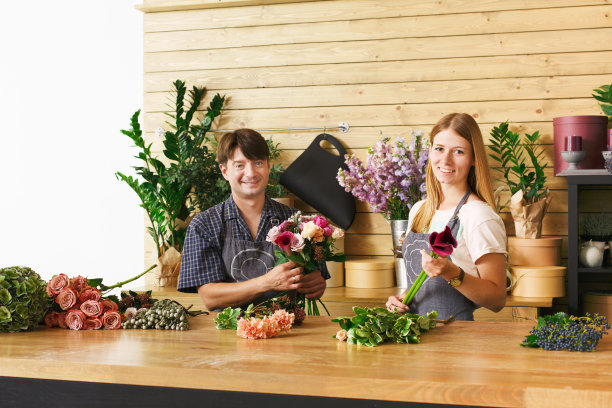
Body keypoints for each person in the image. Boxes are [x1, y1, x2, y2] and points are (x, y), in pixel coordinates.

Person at [178, 128, 328, 311]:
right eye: (239, 165)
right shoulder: (204, 225)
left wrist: (316, 285)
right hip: (228, 334)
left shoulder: (296, 221)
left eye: (257, 163)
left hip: (288, 330)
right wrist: (266, 282)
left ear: (268, 166)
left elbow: (316, 280)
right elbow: (210, 298)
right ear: (225, 171)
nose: (251, 173)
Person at [386, 113, 507, 321]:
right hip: (413, 337)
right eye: (439, 149)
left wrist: (451, 272)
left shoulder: (479, 216)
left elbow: (497, 299)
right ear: (430, 149)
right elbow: (423, 283)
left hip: (454, 342)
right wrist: (403, 298)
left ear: (474, 158)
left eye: (458, 152)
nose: (446, 160)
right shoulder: (419, 210)